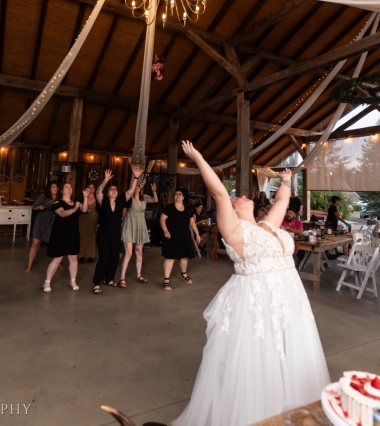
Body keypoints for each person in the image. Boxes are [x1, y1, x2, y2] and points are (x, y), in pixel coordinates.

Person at [172, 141, 329, 426]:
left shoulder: (268, 224)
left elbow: (282, 200)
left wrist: (286, 180)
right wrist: (197, 156)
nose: (241, 195)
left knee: (289, 350)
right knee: (260, 353)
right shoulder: (233, 230)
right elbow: (219, 191)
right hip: (258, 300)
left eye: (244, 194)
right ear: (233, 206)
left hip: (288, 299)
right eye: (237, 196)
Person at [92, 170, 135, 294]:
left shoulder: (120, 200)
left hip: (116, 234)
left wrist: (136, 176)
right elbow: (98, 191)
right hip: (103, 234)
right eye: (111, 189)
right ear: (108, 192)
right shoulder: (103, 200)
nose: (113, 191)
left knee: (114, 258)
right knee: (104, 258)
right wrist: (106, 180)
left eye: (115, 189)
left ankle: (109, 279)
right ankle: (95, 282)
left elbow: (131, 190)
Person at [43, 182, 90, 293]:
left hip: (73, 233)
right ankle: (47, 281)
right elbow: (62, 214)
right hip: (59, 233)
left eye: (70, 187)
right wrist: (74, 209)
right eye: (66, 187)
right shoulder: (57, 202)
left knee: (73, 257)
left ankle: (73, 281)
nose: (69, 189)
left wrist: (85, 197)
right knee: (57, 259)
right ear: (61, 190)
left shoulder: (76, 202)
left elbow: (84, 210)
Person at [119, 165, 157, 287]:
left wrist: (154, 191)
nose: (138, 187)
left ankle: (139, 275)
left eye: (139, 186)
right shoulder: (129, 197)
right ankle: (122, 278)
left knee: (139, 251)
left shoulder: (144, 197)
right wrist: (134, 175)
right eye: (136, 185)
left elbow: (155, 200)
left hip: (141, 224)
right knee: (129, 252)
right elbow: (131, 186)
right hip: (130, 224)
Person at [160, 190, 200, 291]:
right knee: (170, 257)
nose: (177, 195)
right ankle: (166, 280)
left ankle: (184, 274)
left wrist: (197, 234)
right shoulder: (169, 207)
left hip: (184, 236)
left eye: (180, 194)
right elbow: (162, 219)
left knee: (183, 257)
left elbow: (192, 222)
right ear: (174, 197)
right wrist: (165, 231)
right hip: (171, 236)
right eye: (176, 194)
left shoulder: (188, 209)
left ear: (183, 198)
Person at [26, 182, 58, 272]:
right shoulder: (44, 196)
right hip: (41, 221)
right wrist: (38, 207)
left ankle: (58, 262)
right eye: (53, 187)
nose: (56, 189)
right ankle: (29, 265)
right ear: (49, 188)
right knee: (35, 243)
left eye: (56, 187)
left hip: (53, 222)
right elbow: (34, 206)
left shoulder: (59, 198)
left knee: (55, 243)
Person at [78, 183, 98, 264]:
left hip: (94, 219)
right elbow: (78, 208)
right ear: (86, 188)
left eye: (93, 187)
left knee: (92, 237)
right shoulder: (82, 198)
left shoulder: (97, 198)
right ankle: (81, 256)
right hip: (83, 219)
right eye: (89, 187)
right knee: (83, 237)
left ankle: (90, 256)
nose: (91, 188)